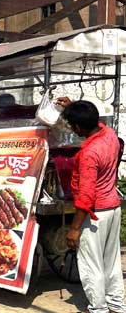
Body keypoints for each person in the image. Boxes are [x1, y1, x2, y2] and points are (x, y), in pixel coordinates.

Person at [57, 97, 126, 313]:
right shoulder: (110, 134)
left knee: (90, 264)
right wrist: (72, 107)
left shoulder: (88, 154)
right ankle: (116, 304)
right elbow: (89, 118)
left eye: (72, 126)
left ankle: (98, 309)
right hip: (113, 208)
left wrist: (74, 229)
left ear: (78, 127)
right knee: (110, 261)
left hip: (95, 214)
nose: (72, 130)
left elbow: (85, 197)